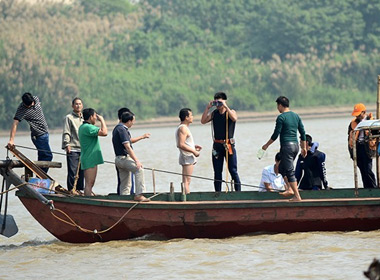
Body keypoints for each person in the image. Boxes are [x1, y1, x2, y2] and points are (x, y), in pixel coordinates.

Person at [261, 96, 307, 201]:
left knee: (289, 170)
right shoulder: (296, 116)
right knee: (281, 167)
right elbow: (303, 132)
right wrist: (304, 148)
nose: (278, 108)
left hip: (287, 147)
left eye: (278, 106)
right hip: (295, 146)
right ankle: (290, 188)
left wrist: (266, 145)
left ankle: (296, 195)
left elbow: (275, 134)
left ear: (280, 105)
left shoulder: (281, 117)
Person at [201, 92, 241, 192]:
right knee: (217, 172)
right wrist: (208, 108)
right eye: (216, 102)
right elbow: (203, 121)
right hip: (217, 146)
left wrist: (225, 106)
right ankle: (218, 193)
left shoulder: (230, 112)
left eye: (219, 102)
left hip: (228, 145)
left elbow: (234, 118)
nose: (218, 105)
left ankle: (238, 192)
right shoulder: (214, 113)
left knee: (233, 170)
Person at [7, 93, 53, 173]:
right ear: (24, 103)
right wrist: (11, 140)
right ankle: (41, 177)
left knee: (42, 157)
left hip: (45, 133)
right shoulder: (21, 109)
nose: (31, 105)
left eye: (32, 103)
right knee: (48, 156)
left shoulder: (36, 99)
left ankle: (39, 179)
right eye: (28, 105)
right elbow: (15, 124)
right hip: (38, 136)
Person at [112, 111, 149, 202]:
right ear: (128, 121)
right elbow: (128, 147)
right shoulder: (122, 129)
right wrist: (137, 161)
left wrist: (142, 137)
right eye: (133, 121)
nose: (133, 123)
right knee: (139, 170)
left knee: (125, 183)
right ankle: (139, 195)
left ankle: (123, 200)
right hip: (123, 158)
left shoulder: (118, 128)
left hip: (118, 159)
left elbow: (129, 141)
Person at [78, 108, 108, 196]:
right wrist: (102, 120)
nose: (96, 118)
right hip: (89, 158)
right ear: (91, 117)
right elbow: (104, 132)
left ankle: (89, 197)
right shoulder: (87, 127)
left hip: (89, 158)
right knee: (89, 184)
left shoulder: (84, 127)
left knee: (90, 183)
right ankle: (87, 202)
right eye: (95, 116)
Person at [348, 103, 376, 189]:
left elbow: (376, 135)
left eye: (359, 114)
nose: (357, 117)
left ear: (364, 113)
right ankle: (366, 189)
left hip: (367, 148)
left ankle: (373, 188)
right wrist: (351, 152)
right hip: (358, 148)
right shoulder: (353, 123)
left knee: (368, 170)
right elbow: (349, 138)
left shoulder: (371, 121)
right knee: (362, 170)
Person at [176, 108, 202, 194]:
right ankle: (187, 197)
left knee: (186, 180)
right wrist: (194, 151)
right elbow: (181, 144)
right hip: (187, 156)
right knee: (187, 181)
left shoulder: (183, 128)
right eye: (191, 115)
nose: (192, 117)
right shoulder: (183, 128)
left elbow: (184, 143)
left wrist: (193, 147)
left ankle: (185, 196)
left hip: (186, 155)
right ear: (186, 117)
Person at [62, 97, 84, 193]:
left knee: (82, 171)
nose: (78, 105)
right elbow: (66, 132)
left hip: (83, 148)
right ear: (72, 106)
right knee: (72, 170)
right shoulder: (69, 117)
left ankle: (79, 190)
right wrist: (67, 144)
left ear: (82, 105)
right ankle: (71, 189)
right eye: (76, 104)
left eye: (79, 104)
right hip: (73, 148)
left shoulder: (84, 118)